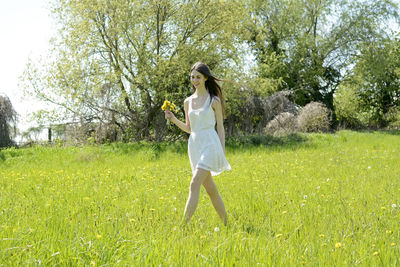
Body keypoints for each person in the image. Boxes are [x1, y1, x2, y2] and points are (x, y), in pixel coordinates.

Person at [164, 62, 231, 225]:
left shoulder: (214, 100)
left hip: (210, 144)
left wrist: (221, 150)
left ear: (206, 78)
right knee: (211, 190)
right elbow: (189, 128)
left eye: (198, 77)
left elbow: (220, 128)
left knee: (194, 184)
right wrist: (173, 119)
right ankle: (227, 224)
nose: (194, 80)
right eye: (192, 77)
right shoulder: (188, 102)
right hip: (195, 145)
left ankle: (182, 226)